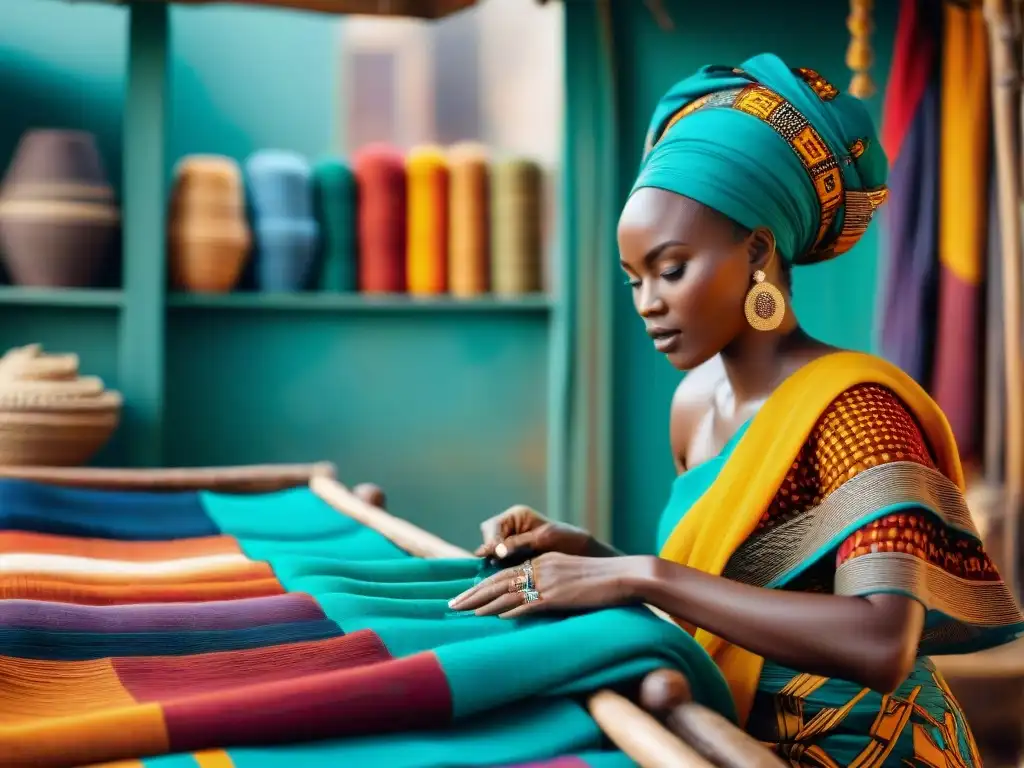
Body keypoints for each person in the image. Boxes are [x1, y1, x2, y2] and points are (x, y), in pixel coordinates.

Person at [449, 54, 1024, 766]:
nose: (648, 303)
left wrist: (635, 573)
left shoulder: (858, 414)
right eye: (633, 279)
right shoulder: (693, 404)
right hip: (724, 731)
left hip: (870, 748)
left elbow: (881, 642)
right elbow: (722, 597)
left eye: (670, 268)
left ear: (756, 250)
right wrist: (585, 555)